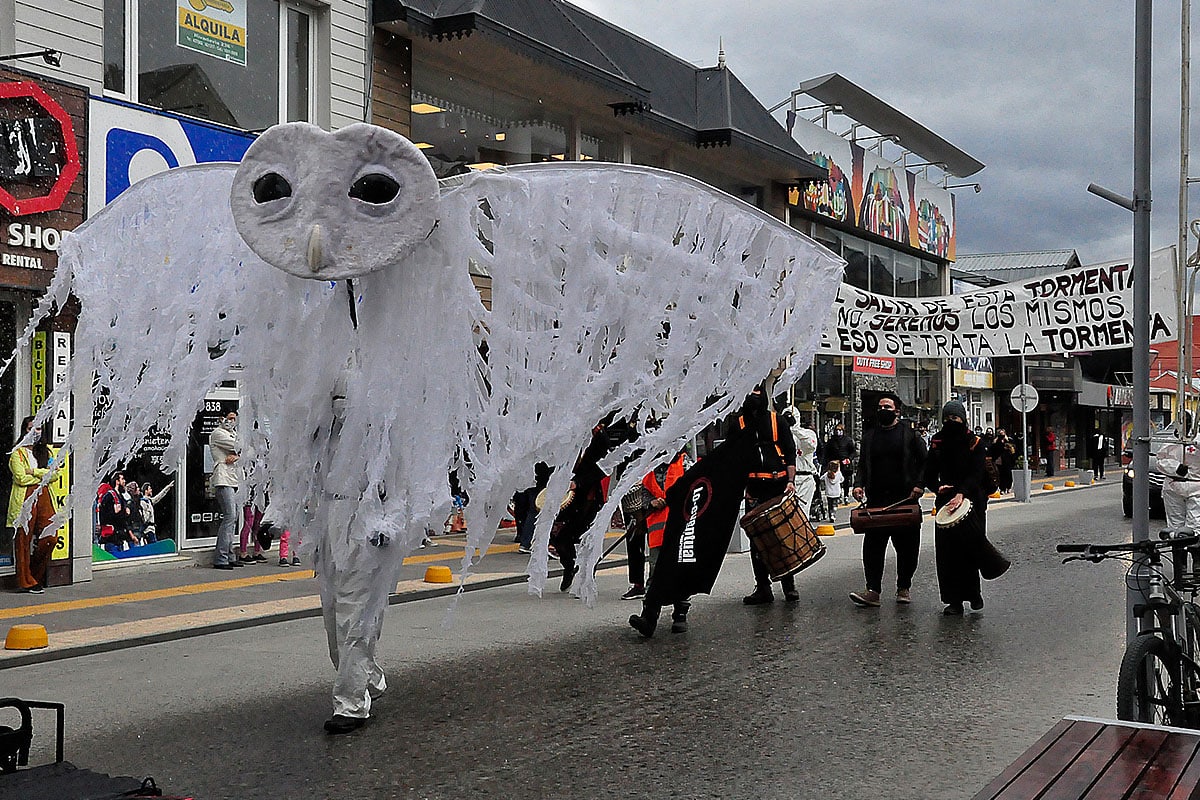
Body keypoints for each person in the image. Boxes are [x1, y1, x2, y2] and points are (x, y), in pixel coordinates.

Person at [849, 392, 927, 607]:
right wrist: (858, 485)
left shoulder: (910, 435)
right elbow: (863, 466)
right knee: (873, 548)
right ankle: (872, 590)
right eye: (880, 407)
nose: (883, 410)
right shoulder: (870, 436)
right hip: (877, 503)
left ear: (897, 411)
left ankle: (904, 587)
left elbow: (925, 463)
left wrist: (919, 485)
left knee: (907, 549)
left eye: (887, 407)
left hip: (905, 501)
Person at [923, 400, 989, 615]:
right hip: (946, 503)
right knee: (947, 554)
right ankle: (953, 601)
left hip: (972, 502)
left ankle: (974, 594)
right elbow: (929, 472)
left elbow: (977, 473)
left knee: (970, 550)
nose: (951, 422)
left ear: (963, 418)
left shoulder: (975, 442)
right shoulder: (938, 442)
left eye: (955, 418)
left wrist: (962, 492)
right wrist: (937, 487)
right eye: (947, 418)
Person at [740, 386, 799, 605]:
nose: (754, 397)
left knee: (781, 537)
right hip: (754, 491)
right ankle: (763, 587)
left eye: (757, 391)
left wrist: (791, 482)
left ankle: (789, 585)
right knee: (757, 541)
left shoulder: (777, 421)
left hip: (778, 487)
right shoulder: (740, 424)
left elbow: (790, 452)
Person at [8, 417, 58, 593]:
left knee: (50, 537)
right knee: (23, 541)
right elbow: (21, 478)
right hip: (25, 498)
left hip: (44, 496)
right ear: (24, 430)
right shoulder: (17, 453)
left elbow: (55, 475)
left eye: (37, 429)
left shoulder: (47, 453)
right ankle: (25, 581)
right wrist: (41, 475)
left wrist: (34, 471)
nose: (34, 432)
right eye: (30, 428)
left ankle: (34, 575)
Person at [209, 411, 244, 570]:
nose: (232, 421)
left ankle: (229, 555)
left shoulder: (234, 434)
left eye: (234, 419)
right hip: (223, 478)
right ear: (222, 419)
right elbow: (240, 446)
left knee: (233, 517)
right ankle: (221, 557)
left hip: (234, 478)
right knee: (229, 516)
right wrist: (241, 451)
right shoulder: (218, 433)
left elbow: (248, 450)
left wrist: (237, 457)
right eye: (229, 418)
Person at [1155, 413, 1200, 533]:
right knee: (1175, 526)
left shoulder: (1197, 440)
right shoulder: (1170, 442)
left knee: (1195, 527)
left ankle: (1194, 548)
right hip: (1173, 486)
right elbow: (1160, 461)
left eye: (1187, 421)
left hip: (1195, 487)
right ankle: (1178, 550)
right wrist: (1175, 468)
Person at [784, 407, 819, 522]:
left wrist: (795, 428)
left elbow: (811, 445)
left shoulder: (807, 434)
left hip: (805, 479)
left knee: (802, 513)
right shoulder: (782, 435)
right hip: (788, 479)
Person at [97, 471, 138, 552]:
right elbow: (103, 516)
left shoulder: (121, 497)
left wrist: (125, 513)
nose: (124, 481)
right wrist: (114, 512)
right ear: (117, 481)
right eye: (122, 479)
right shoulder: (109, 496)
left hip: (119, 538)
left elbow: (123, 519)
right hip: (111, 538)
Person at [822, 422, 856, 501]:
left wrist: (849, 459)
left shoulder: (848, 440)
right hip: (834, 463)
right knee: (835, 479)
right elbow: (827, 452)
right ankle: (838, 494)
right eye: (837, 430)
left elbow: (853, 451)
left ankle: (846, 495)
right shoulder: (831, 441)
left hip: (844, 463)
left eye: (840, 430)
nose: (838, 432)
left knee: (845, 479)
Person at [992, 429, 1016, 494]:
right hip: (1000, 460)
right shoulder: (996, 441)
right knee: (1000, 475)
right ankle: (1002, 488)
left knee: (1008, 474)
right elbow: (994, 449)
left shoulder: (1009, 440)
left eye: (1003, 433)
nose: (1001, 435)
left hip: (1007, 460)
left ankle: (1009, 487)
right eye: (1000, 434)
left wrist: (1007, 440)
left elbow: (1013, 449)